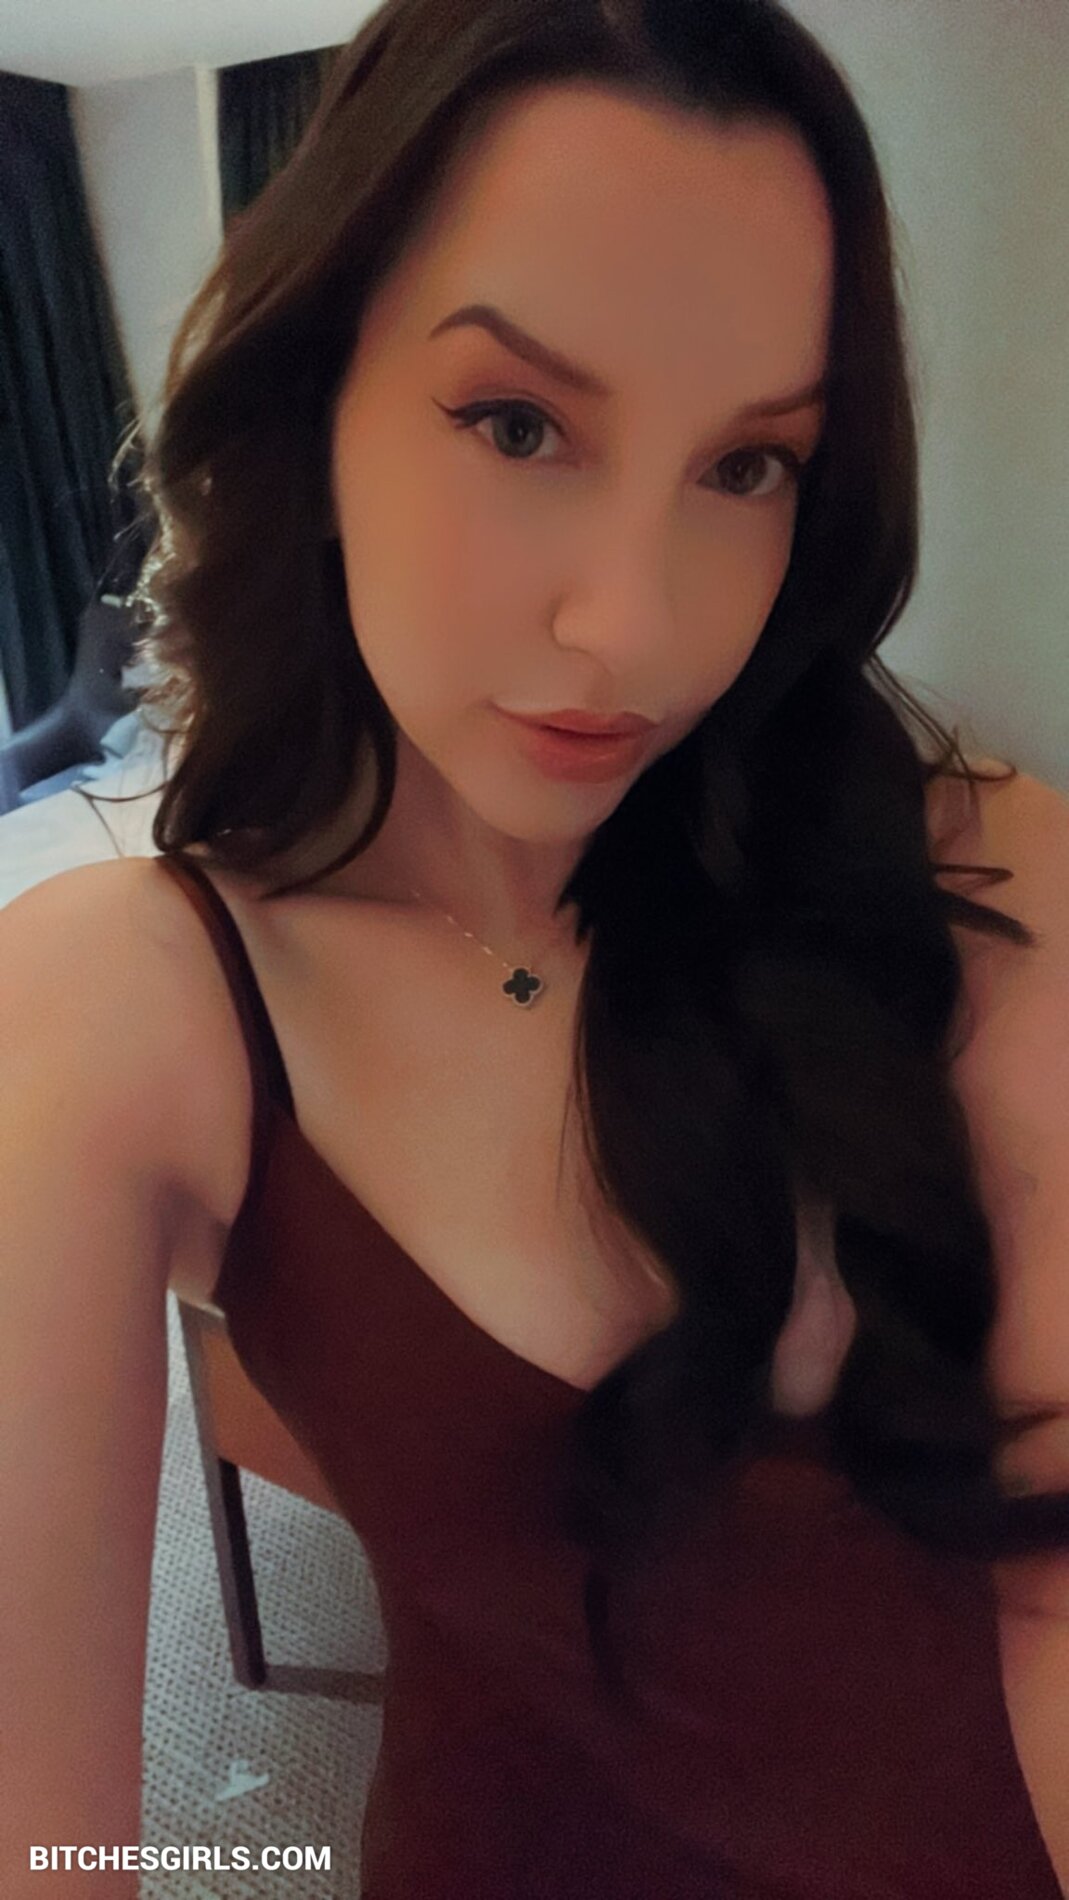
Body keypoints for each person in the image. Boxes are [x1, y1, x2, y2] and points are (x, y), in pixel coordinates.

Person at [3, 1, 1069, 1894]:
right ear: (316, 396)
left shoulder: (981, 871)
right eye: (517, 424)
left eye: (745, 466)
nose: (632, 626)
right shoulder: (129, 1002)